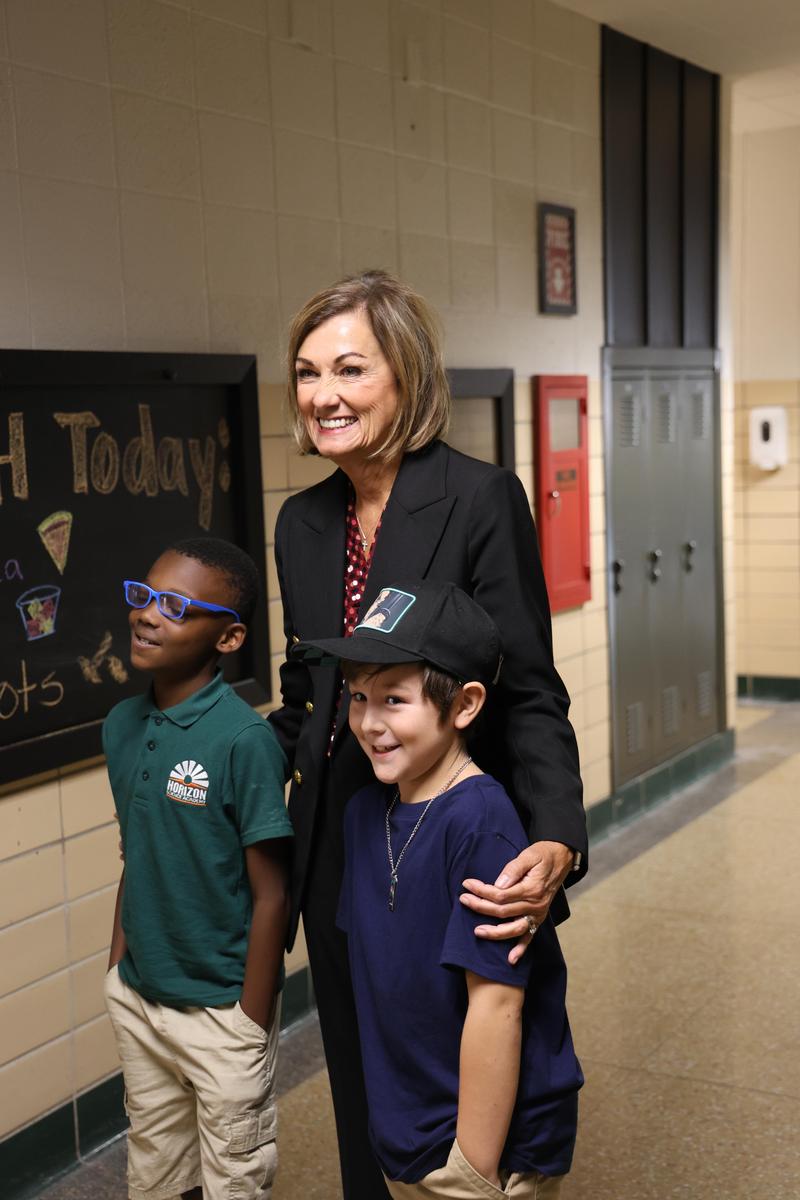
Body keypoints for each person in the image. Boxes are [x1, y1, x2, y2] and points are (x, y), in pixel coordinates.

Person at [269, 270, 587, 1199]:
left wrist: (558, 834)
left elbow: (527, 691)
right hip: (341, 848)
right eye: (305, 372)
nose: (323, 394)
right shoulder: (304, 522)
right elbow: (308, 694)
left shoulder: (481, 499)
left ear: (406, 375)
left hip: (452, 844)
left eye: (350, 369)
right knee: (366, 1081)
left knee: (471, 1071)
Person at [298, 578, 583, 1199]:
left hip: (486, 1144)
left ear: (464, 704)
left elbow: (498, 1005)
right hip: (411, 1126)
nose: (369, 723)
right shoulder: (363, 815)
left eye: (394, 700)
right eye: (357, 697)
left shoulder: (480, 822)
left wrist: (472, 1170)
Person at [103, 537, 293, 1200]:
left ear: (228, 636)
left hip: (221, 1013)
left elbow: (272, 894)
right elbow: (138, 849)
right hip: (141, 995)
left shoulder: (245, 741)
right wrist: (117, 970)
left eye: (177, 607)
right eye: (145, 596)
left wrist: (249, 1018)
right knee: (154, 1169)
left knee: (232, 1179)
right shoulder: (122, 725)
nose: (149, 615)